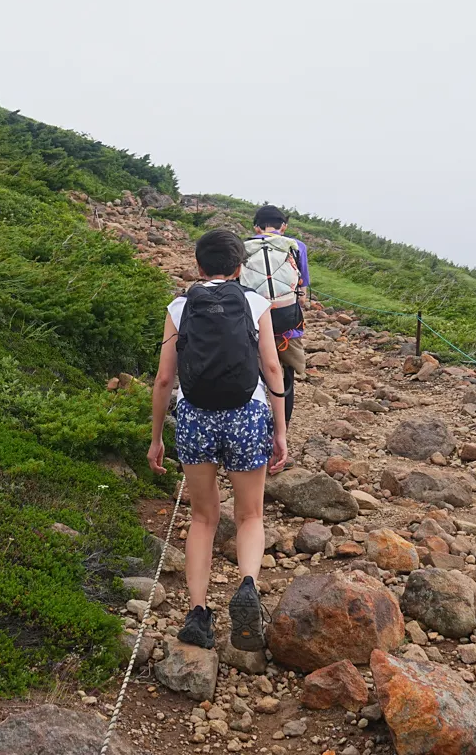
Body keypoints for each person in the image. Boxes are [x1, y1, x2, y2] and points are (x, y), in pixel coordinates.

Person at [147, 228, 290, 652]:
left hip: (195, 418)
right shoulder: (255, 302)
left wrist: (156, 437)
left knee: (203, 519)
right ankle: (247, 585)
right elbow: (272, 368)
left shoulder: (178, 306)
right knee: (249, 516)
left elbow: (164, 378)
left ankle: (197, 614)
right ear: (239, 266)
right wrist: (279, 430)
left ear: (197, 265)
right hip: (247, 414)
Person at [239, 205, 309, 424]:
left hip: (254, 321)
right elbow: (303, 292)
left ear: (256, 227)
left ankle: (255, 427)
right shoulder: (296, 246)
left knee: (254, 376)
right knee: (286, 377)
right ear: (284, 226)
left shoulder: (242, 247)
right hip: (287, 324)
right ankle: (282, 430)